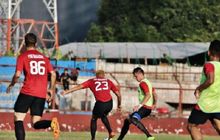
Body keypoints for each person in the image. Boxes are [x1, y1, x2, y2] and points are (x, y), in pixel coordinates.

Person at [6, 33, 60, 140]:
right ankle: (51, 123)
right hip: (40, 94)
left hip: (27, 92)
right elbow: (53, 74)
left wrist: (12, 84)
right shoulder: (44, 58)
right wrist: (51, 89)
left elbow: (17, 74)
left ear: (25, 44)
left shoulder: (23, 56)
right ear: (35, 43)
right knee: (35, 123)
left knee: (18, 118)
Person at [62, 70, 121, 140]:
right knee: (103, 116)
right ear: (104, 75)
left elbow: (79, 87)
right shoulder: (108, 81)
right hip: (109, 103)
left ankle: (93, 138)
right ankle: (111, 132)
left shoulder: (92, 81)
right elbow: (118, 95)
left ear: (96, 75)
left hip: (100, 104)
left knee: (94, 119)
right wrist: (119, 106)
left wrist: (67, 91)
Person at [187, 40, 220, 140]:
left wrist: (198, 88)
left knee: (192, 126)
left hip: (205, 103)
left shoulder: (209, 65)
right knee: (217, 125)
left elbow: (210, 80)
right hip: (218, 104)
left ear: (209, 52)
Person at [117, 67, 156, 140]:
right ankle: (119, 139)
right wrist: (154, 103)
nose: (135, 78)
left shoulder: (143, 83)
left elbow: (148, 95)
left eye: (136, 76)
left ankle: (149, 136)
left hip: (145, 107)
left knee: (134, 119)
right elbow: (154, 94)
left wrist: (139, 105)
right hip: (147, 107)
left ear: (140, 74)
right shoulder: (148, 82)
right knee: (128, 120)